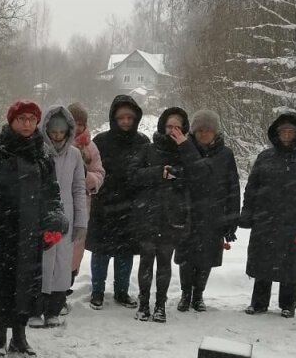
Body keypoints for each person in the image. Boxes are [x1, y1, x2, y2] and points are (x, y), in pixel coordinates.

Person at [0, 99, 67, 358]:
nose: (27, 124)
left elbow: (53, 193)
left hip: (31, 232)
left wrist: (53, 222)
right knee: (1, 285)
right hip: (4, 231)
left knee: (26, 286)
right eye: (22, 119)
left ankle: (19, 336)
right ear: (11, 121)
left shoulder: (43, 154)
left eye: (31, 119)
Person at [239, 111, 296, 318]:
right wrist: (247, 213)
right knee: (262, 261)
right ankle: (258, 303)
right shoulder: (265, 157)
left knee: (291, 264)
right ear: (276, 133)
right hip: (265, 219)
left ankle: (288, 305)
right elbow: (252, 188)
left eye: (290, 131)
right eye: (283, 131)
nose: (286, 134)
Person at [128, 107, 200, 323]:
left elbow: (199, 175)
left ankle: (160, 305)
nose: (173, 130)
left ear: (184, 129)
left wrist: (180, 172)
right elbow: (132, 175)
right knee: (146, 259)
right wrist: (158, 172)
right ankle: (143, 304)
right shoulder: (147, 149)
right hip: (147, 213)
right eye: (169, 126)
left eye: (177, 126)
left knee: (165, 261)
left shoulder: (188, 150)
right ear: (162, 126)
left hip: (173, 215)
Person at [85, 96, 149, 309]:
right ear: (113, 118)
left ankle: (122, 291)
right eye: (121, 117)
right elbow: (92, 168)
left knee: (125, 252)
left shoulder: (142, 142)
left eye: (129, 117)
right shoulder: (101, 141)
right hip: (104, 204)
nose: (125, 121)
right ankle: (97, 291)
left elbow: (146, 172)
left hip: (130, 207)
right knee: (101, 252)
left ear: (136, 118)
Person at [174, 109, 240, 312]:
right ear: (193, 131)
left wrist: (231, 219)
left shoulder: (225, 154)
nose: (204, 133)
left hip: (214, 215)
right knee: (186, 257)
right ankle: (185, 295)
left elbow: (233, 187)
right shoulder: (183, 149)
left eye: (208, 130)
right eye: (200, 130)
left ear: (215, 132)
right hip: (188, 212)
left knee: (206, 259)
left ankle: (198, 295)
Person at [29, 105, 88, 327]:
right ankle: (34, 309)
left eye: (60, 132)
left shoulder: (74, 155)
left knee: (62, 265)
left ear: (68, 132)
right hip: (41, 214)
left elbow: (78, 188)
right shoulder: (37, 151)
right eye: (52, 132)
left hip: (66, 215)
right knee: (40, 263)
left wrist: (81, 221)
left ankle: (53, 309)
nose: (56, 137)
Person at [67, 102, 105, 299]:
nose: (77, 127)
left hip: (82, 203)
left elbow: (99, 174)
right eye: (73, 122)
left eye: (81, 123)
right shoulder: (54, 142)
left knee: (75, 245)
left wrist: (86, 177)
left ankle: (66, 285)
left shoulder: (90, 146)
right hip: (59, 202)